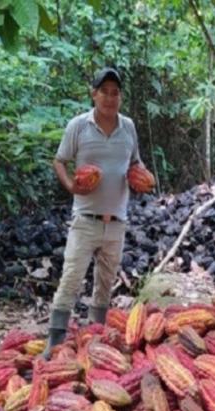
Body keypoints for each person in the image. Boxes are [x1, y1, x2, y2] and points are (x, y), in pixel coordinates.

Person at [42, 67, 144, 357]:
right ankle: (55, 342)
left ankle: (95, 338)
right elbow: (60, 161)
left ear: (120, 97)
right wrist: (71, 186)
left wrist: (141, 179)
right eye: (104, 92)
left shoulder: (129, 128)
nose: (110, 98)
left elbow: (135, 164)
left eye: (115, 93)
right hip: (85, 220)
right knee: (71, 277)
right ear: (93, 94)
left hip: (117, 222)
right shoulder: (79, 125)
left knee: (105, 283)